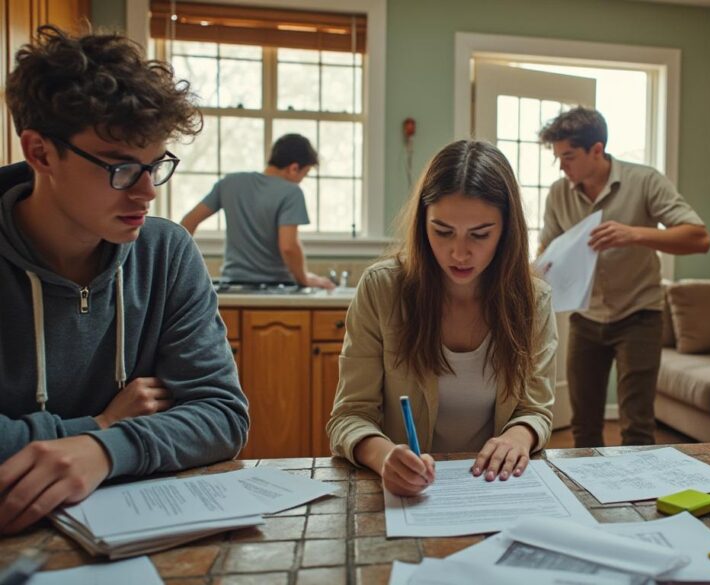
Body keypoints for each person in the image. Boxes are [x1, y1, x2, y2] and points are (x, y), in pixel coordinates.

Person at [0, 26, 249, 535]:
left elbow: (222, 416)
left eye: (155, 166)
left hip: (134, 531)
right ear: (41, 152)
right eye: (119, 169)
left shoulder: (166, 251)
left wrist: (105, 450)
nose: (147, 193)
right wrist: (98, 426)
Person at [327, 140, 556, 496]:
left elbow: (535, 409)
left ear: (507, 231)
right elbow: (349, 416)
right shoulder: (381, 289)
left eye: (480, 235)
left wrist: (518, 435)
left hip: (493, 490)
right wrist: (384, 456)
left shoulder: (533, 301)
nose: (459, 252)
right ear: (422, 224)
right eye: (442, 231)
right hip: (410, 496)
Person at [538, 107, 710, 448]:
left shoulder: (645, 181)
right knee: (583, 424)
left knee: (637, 427)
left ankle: (638, 498)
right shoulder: (559, 193)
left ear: (597, 150)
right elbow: (548, 251)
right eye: (558, 158)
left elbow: (699, 238)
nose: (562, 166)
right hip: (586, 319)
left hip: (639, 316)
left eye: (569, 156)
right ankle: (584, 498)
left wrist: (634, 234)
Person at [180, 133, 334, 289]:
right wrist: (305, 280)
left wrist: (184, 269)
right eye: (304, 174)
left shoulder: (229, 183)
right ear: (294, 168)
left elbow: (188, 222)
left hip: (233, 285)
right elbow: (288, 247)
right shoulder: (291, 192)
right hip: (277, 287)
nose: (301, 180)